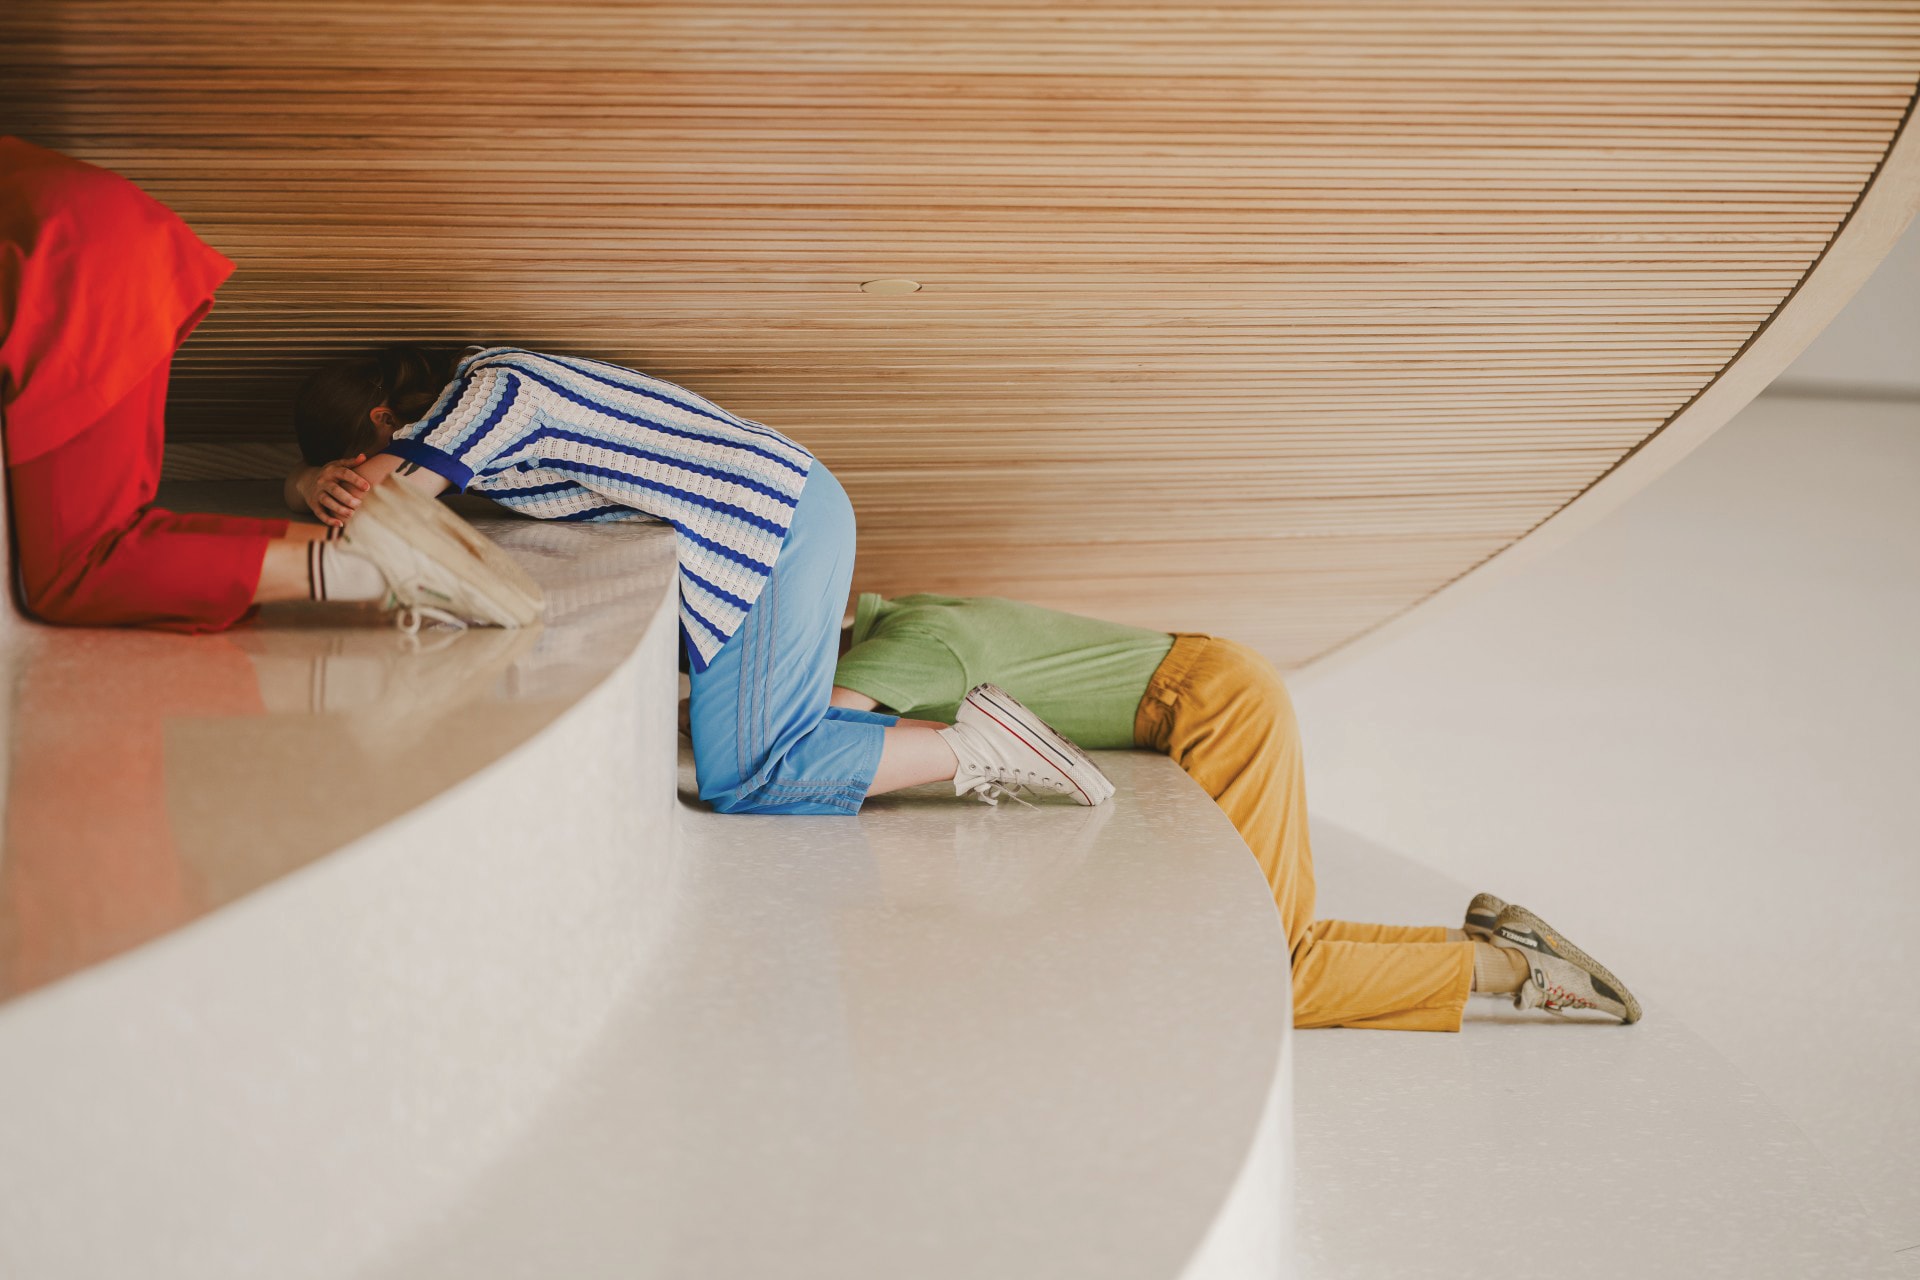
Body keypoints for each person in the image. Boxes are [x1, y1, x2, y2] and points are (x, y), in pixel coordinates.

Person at [290, 344, 1114, 815]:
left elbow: (373, 515)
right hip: (778, 515)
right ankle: (945, 740)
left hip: (773, 523)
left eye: (350, 460)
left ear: (380, 427)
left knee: (749, 776)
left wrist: (304, 489)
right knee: (729, 751)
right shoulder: (498, 411)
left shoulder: (497, 392)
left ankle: (979, 746)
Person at [831, 592, 1643, 1029]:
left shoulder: (906, 651)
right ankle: (1483, 945)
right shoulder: (904, 621)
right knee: (1271, 939)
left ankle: (1514, 971)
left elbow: (809, 754)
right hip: (1214, 691)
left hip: (1213, 706)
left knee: (1263, 978)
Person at [0, 137, 535, 634]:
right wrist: (308, 484)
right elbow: (338, 493)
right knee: (104, 541)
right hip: (93, 226)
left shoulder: (489, 394)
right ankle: (362, 559)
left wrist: (323, 493)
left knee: (79, 569)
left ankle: (366, 567)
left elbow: (372, 498)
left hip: (64, 253)